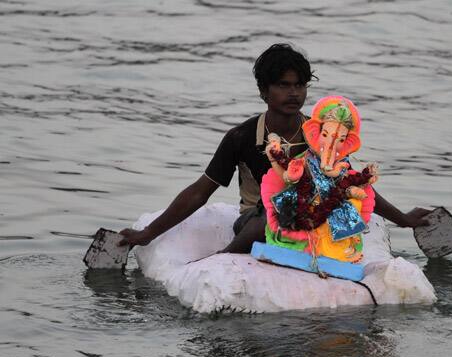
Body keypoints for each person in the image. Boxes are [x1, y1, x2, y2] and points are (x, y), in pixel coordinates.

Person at [119, 43, 429, 252]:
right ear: (263, 91)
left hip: (310, 218)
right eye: (283, 85)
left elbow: (349, 181)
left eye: (299, 85)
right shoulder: (241, 137)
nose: (293, 93)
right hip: (257, 218)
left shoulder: (322, 135)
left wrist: (403, 219)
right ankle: (222, 261)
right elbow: (201, 191)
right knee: (266, 221)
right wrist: (148, 234)